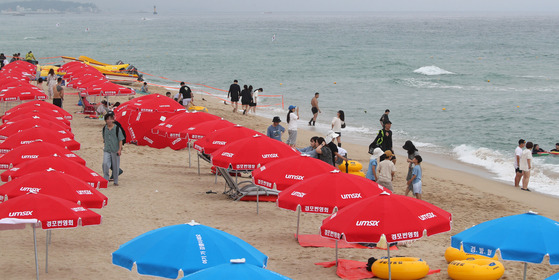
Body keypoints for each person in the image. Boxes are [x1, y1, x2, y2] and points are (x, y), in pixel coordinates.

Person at [102, 113, 124, 186]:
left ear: (113, 119)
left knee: (115, 166)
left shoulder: (117, 128)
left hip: (115, 149)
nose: (109, 120)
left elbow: (120, 139)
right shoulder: (104, 128)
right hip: (107, 149)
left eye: (110, 119)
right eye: (107, 119)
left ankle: (116, 180)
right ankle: (105, 179)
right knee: (105, 163)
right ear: (105, 120)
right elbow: (104, 138)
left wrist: (119, 149)